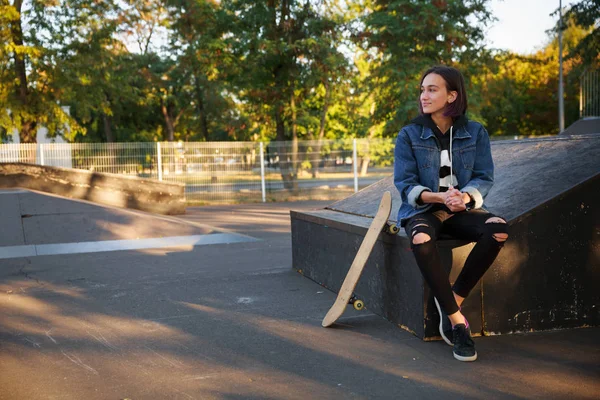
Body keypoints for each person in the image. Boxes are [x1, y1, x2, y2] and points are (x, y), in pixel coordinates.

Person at [393, 65, 509, 362]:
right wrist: (440, 197)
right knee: (420, 238)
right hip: (425, 209)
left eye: (432, 89)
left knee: (498, 229)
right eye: (422, 89)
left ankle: (452, 300)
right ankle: (458, 322)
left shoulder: (475, 132)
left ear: (452, 95)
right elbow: (405, 184)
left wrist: (466, 197)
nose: (424, 95)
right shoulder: (409, 135)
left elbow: (484, 176)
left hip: (461, 211)